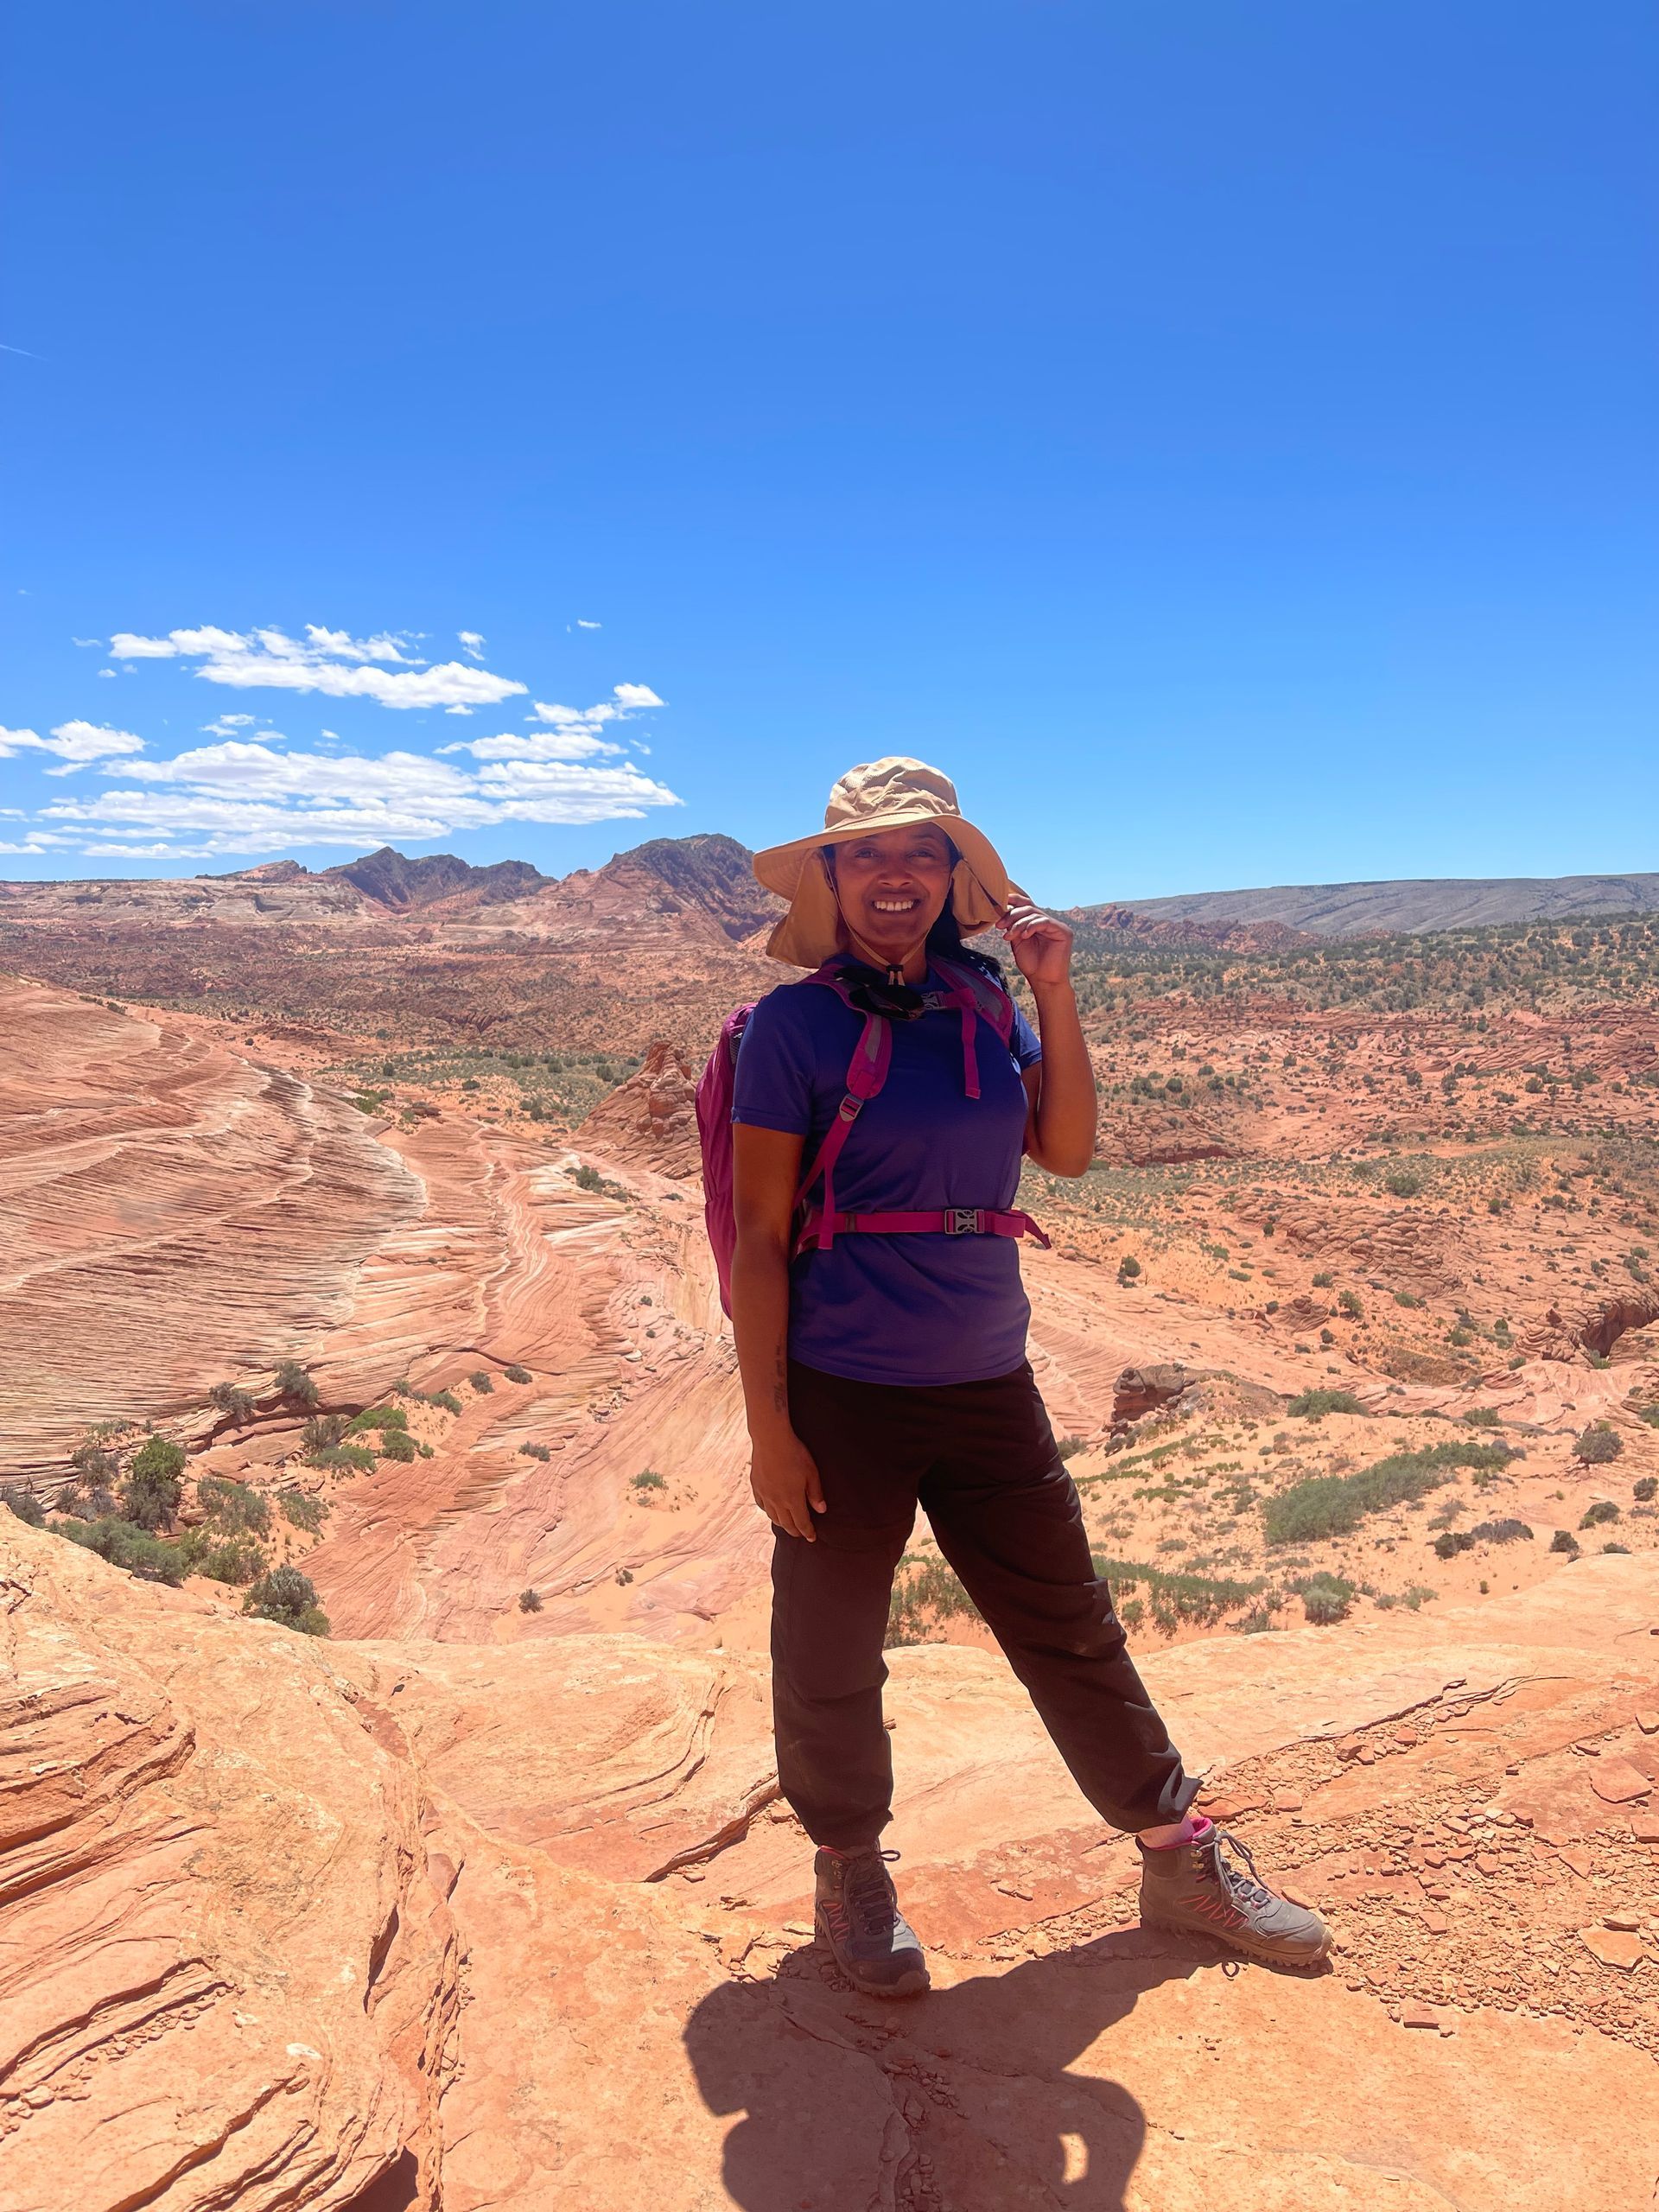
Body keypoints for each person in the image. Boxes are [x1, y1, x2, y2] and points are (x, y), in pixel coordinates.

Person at [729, 757, 1328, 1997]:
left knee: (1067, 1625)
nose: (895, 877)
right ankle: (850, 1869)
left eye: (923, 855)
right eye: (867, 856)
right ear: (832, 879)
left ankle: (1177, 1852)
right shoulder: (792, 1027)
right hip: (844, 1388)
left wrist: (1054, 993)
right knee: (830, 1644)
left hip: (987, 1378)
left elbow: (1064, 1153)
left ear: (955, 879)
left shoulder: (988, 1001)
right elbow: (760, 1239)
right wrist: (770, 1430)